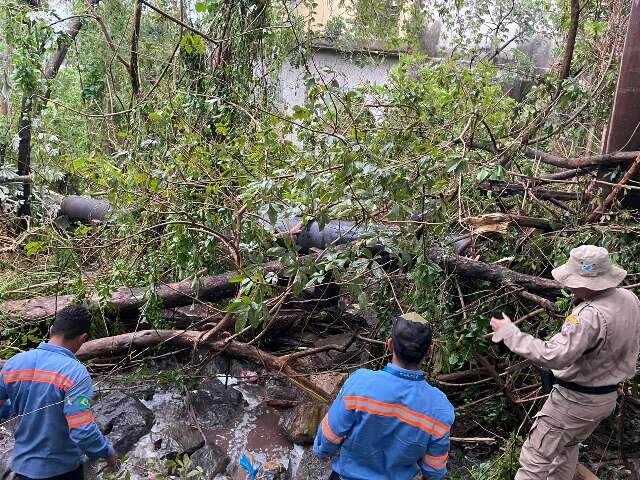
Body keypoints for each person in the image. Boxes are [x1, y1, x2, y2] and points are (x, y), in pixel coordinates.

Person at [491, 245, 640, 480]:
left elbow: (555, 357)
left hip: (574, 401)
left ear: (587, 282)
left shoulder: (588, 315)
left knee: (535, 458)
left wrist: (510, 334)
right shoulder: (629, 299)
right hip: (605, 399)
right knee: (564, 448)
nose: (568, 285)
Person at [313, 312, 455, 480]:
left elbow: (328, 438)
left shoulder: (359, 382)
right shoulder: (440, 408)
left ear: (389, 345)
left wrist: (321, 451)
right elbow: (434, 470)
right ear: (429, 352)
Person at [0, 305, 117, 480]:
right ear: (82, 338)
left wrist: (15, 408)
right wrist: (107, 452)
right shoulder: (76, 374)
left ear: (50, 330)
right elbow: (82, 430)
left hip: (22, 470)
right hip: (61, 472)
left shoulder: (13, 364)